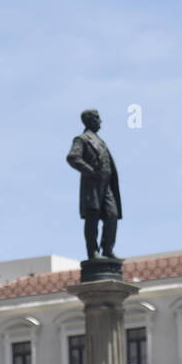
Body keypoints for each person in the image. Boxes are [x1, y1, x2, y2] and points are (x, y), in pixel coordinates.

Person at [65, 109, 121, 261]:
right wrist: (90, 171)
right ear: (89, 120)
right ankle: (93, 252)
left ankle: (107, 249)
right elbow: (72, 157)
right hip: (93, 185)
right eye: (97, 118)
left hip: (106, 184)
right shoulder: (82, 139)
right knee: (93, 218)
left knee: (112, 215)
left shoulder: (100, 141)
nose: (100, 121)